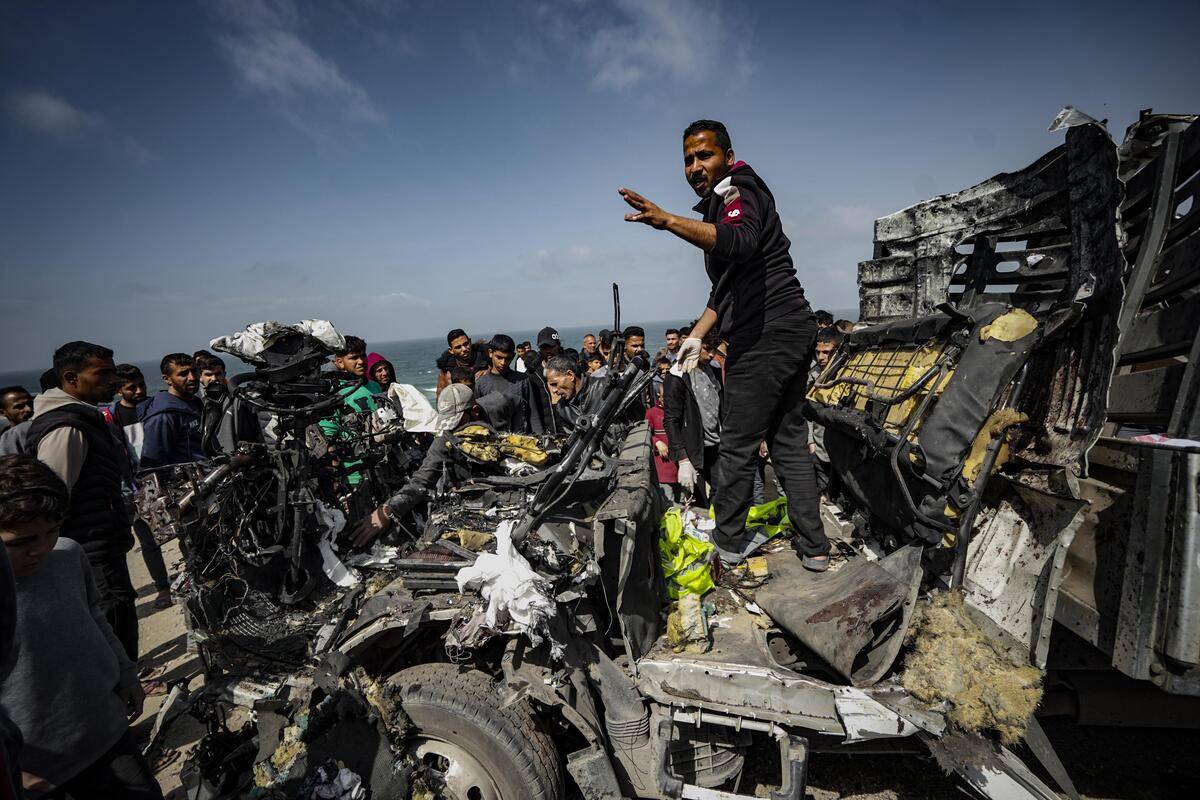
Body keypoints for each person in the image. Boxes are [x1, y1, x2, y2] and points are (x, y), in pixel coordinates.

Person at [619, 118, 828, 569]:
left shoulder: (737, 190)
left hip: (768, 332)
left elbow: (739, 240)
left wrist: (668, 221)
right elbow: (727, 289)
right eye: (688, 159)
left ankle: (730, 543)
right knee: (789, 439)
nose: (695, 166)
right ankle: (814, 548)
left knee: (736, 440)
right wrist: (696, 337)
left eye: (704, 155)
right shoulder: (720, 201)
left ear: (728, 157)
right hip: (791, 327)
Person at [0, 454, 163, 800]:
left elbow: (94, 617)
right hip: (40, 765)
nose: (41, 549)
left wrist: (127, 673)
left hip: (108, 732)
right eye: (21, 542)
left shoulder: (68, 555)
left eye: (51, 531)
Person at [27, 341, 140, 659]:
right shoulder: (67, 428)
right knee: (112, 620)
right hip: (90, 552)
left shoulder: (81, 420)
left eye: (113, 372)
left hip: (97, 547)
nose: (113, 380)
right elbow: (49, 500)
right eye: (102, 373)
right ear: (71, 378)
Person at [349, 383, 523, 546]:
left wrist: (514, 437)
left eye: (458, 423)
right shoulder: (445, 440)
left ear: (475, 411)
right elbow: (421, 481)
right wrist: (388, 510)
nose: (453, 430)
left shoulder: (499, 403)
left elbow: (518, 402)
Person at [102, 365, 171, 609]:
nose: (140, 390)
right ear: (119, 389)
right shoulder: (110, 418)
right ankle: (163, 587)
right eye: (132, 387)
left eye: (141, 384)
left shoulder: (157, 406)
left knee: (182, 531)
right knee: (148, 539)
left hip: (167, 479)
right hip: (135, 485)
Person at [663, 334, 724, 506]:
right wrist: (682, 459)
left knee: (724, 493)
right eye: (706, 349)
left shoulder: (713, 369)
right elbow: (671, 420)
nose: (711, 354)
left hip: (716, 446)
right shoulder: (677, 375)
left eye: (714, 350)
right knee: (695, 503)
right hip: (692, 449)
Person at [319, 336, 380, 486]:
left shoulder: (374, 386)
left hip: (382, 467)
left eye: (363, 356)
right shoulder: (335, 394)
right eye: (354, 358)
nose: (361, 362)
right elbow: (327, 438)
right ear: (339, 362)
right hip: (355, 477)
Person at [139, 353, 205, 469]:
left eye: (194, 371)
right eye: (183, 374)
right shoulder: (164, 416)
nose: (192, 378)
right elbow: (153, 463)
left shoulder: (195, 403)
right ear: (167, 379)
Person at [543, 355, 604, 434]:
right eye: (551, 385)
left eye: (555, 384)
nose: (554, 390)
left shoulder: (604, 387)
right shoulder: (562, 408)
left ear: (570, 375)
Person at [645, 384, 678, 501]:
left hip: (681, 466)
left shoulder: (679, 410)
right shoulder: (652, 413)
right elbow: (646, 434)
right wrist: (657, 441)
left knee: (686, 501)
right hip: (663, 468)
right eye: (665, 396)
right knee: (669, 502)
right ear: (659, 396)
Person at [474, 334, 528, 403]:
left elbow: (533, 411)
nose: (503, 362)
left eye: (507, 358)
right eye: (499, 357)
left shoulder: (523, 381)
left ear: (513, 356)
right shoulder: (481, 383)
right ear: (490, 353)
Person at [436, 329, 488, 394]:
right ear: (451, 350)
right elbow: (441, 395)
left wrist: (489, 372)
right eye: (458, 347)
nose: (464, 349)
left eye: (466, 344)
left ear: (470, 341)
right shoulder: (446, 371)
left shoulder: (487, 358)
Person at [0, 387, 33, 457]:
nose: (29, 409)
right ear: (2, 412)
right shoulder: (4, 440)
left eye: (30, 404)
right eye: (20, 406)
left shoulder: (44, 429)